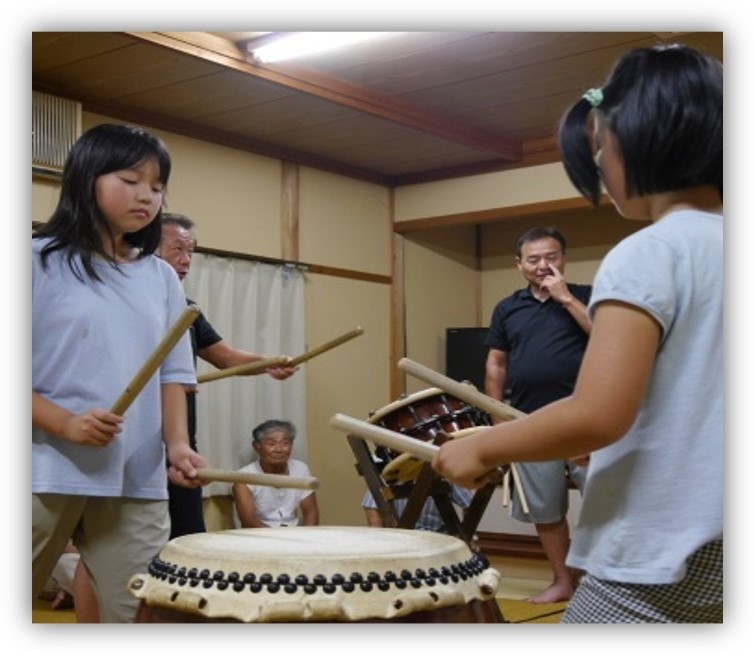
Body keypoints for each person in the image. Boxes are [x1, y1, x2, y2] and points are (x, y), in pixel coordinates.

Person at [433, 43, 722, 623]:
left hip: (665, 547)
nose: (597, 162)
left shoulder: (650, 251)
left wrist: (480, 445)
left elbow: (596, 414)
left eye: (598, 145)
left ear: (635, 140)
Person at [32, 123, 208, 623]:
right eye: (132, 180)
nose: (147, 196)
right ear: (87, 179)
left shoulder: (158, 278)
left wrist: (177, 446)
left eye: (157, 186)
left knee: (141, 615)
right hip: (41, 468)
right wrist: (63, 423)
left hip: (137, 476)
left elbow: (174, 374)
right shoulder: (34, 260)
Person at [156, 213, 298, 538]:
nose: (186, 260)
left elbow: (226, 357)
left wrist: (269, 362)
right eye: (177, 249)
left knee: (188, 538)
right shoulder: (131, 307)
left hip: (180, 448)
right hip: (135, 446)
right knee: (118, 548)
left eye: (191, 251)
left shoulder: (187, 310)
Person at [484, 225, 591, 604]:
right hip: (528, 421)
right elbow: (497, 363)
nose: (543, 265)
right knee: (545, 509)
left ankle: (600, 584)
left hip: (587, 418)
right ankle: (563, 580)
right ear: (520, 264)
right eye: (534, 259)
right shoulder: (508, 308)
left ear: (564, 258)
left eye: (552, 256)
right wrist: (498, 417)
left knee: (603, 504)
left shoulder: (588, 296)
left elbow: (606, 337)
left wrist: (565, 299)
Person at [232, 419, 319, 527]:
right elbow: (248, 520)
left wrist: (308, 538)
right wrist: (279, 541)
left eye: (285, 443)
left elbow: (311, 513)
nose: (279, 449)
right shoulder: (243, 477)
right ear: (256, 446)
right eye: (271, 444)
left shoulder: (301, 469)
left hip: (294, 533)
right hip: (259, 535)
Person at [361, 484, 473, 533]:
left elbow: (470, 506)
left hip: (438, 540)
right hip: (399, 540)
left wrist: (465, 536)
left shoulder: (444, 470)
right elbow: (372, 507)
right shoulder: (386, 472)